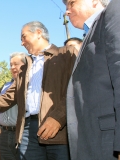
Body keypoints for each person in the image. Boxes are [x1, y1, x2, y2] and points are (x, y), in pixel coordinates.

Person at [0, 21, 77, 160]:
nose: (22, 43)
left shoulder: (66, 54)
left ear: (38, 33)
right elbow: (6, 98)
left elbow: (76, 90)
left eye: (24, 37)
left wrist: (58, 118)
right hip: (28, 130)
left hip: (59, 129)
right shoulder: (25, 67)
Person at [62, 0, 120, 159]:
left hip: (109, 142)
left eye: (71, 3)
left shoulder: (114, 12)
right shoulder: (90, 33)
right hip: (94, 140)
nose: (67, 11)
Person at [0, 52, 26, 160]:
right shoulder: (5, 86)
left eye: (16, 64)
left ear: (25, 65)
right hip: (3, 134)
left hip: (22, 134)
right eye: (11, 65)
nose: (12, 67)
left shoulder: (30, 84)